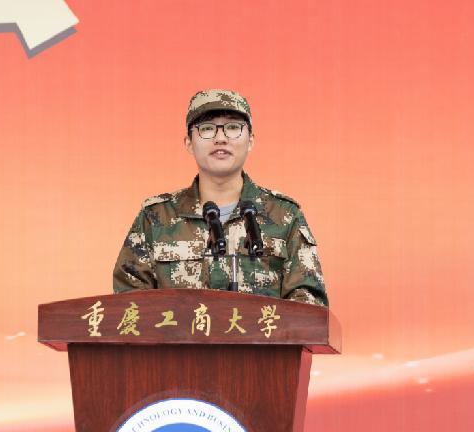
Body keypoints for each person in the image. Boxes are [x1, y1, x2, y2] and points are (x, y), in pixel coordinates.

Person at [112, 89, 328, 307]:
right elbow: (129, 305)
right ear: (188, 143)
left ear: (251, 140)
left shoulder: (284, 216)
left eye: (233, 127)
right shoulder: (156, 217)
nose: (221, 138)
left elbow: (309, 308)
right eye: (207, 128)